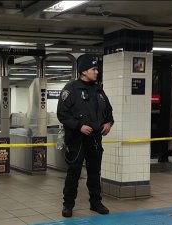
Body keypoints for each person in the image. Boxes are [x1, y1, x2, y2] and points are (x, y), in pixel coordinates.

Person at [57, 54, 114, 218]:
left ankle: (95, 203)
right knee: (74, 173)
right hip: (77, 140)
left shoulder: (98, 90)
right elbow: (62, 114)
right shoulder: (71, 89)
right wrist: (79, 126)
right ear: (83, 71)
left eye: (97, 69)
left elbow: (108, 112)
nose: (97, 72)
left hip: (95, 140)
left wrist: (108, 123)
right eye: (93, 69)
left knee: (95, 173)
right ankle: (68, 205)